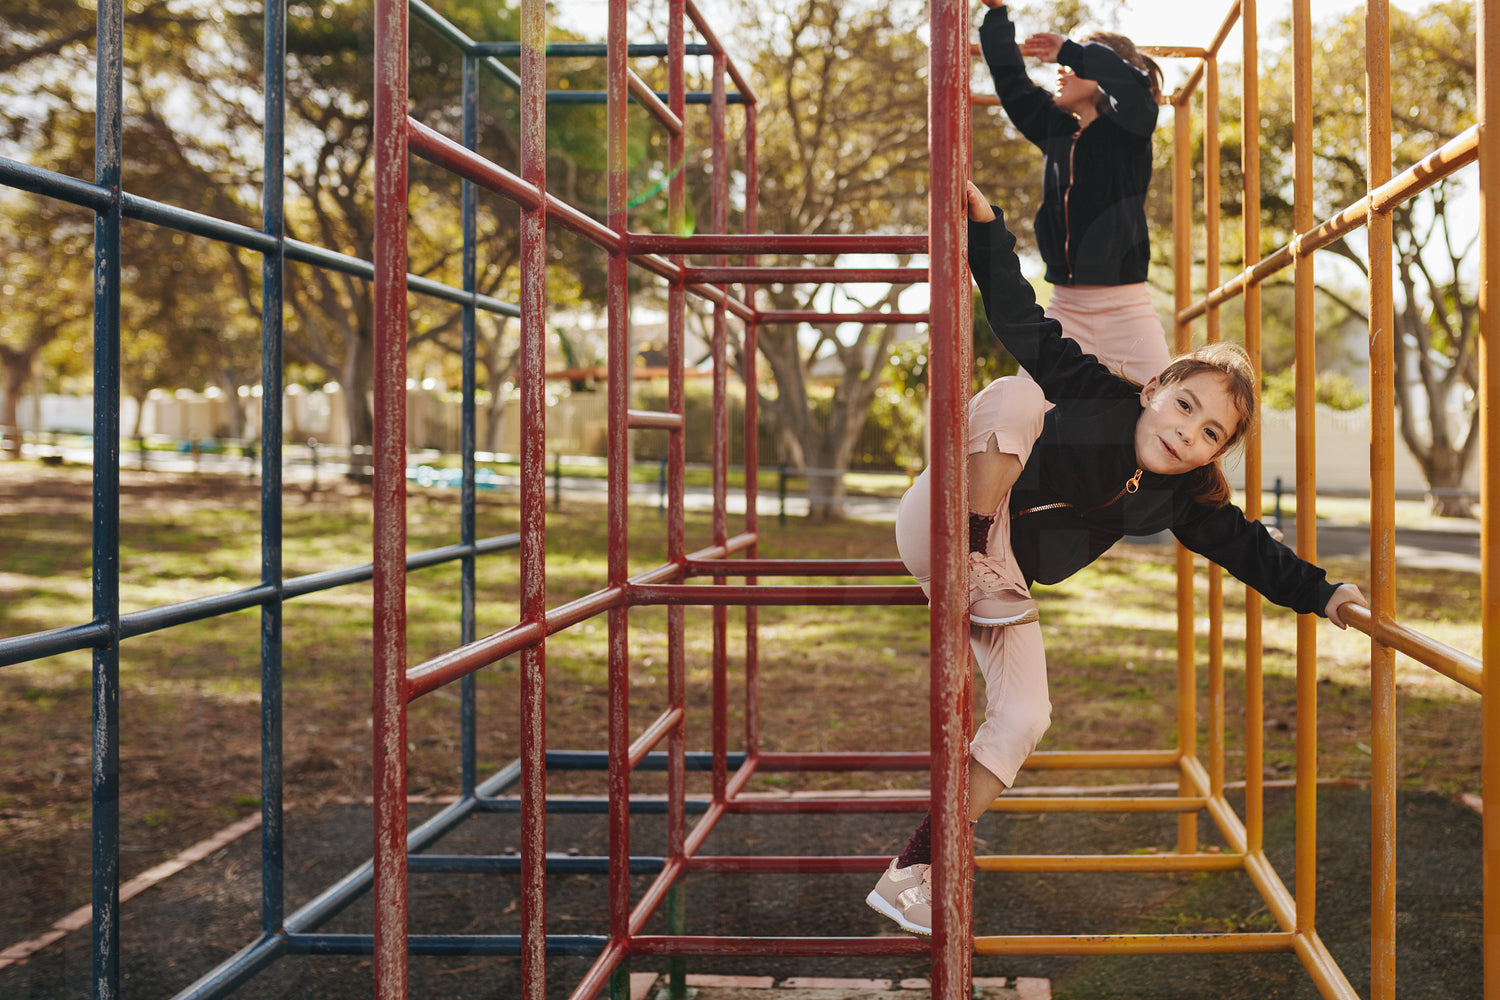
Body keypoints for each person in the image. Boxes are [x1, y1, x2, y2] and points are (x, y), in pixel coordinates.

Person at [864, 185, 1369, 937]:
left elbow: (1253, 551)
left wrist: (1326, 595)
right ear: (1155, 389)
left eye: (1211, 434)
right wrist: (987, 230)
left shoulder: (1183, 499)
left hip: (1003, 579)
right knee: (1017, 393)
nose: (1189, 432)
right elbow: (1021, 317)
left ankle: (913, 868)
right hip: (942, 518)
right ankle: (968, 552)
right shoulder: (1095, 392)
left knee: (1027, 715)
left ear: (1216, 454)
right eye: (1186, 406)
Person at [977, 0, 1169, 387]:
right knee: (1023, 405)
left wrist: (1069, 50)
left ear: (1104, 74)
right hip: (1065, 308)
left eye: (1074, 63)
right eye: (1064, 61)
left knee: (1162, 404)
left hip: (1126, 308)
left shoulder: (1131, 129)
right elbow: (1013, 86)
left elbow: (1133, 87)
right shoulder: (1058, 133)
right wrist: (997, 13)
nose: (1061, 70)